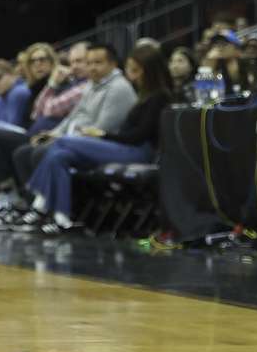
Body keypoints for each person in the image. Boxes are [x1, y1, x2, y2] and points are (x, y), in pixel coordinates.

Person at [16, 44, 172, 234]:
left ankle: (39, 203)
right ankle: (62, 218)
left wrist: (104, 135)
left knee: (60, 143)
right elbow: (71, 116)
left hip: (140, 152)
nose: (131, 75)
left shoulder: (158, 96)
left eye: (135, 70)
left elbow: (138, 136)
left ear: (149, 71)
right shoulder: (140, 93)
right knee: (59, 155)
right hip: (122, 146)